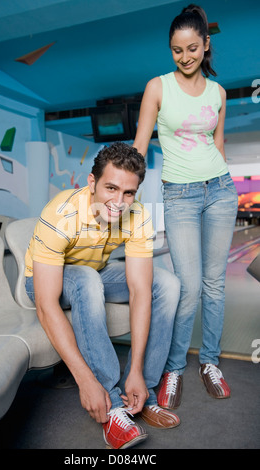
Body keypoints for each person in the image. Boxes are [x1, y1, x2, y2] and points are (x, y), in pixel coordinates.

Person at [24, 142, 181, 449]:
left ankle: (142, 391)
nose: (119, 201)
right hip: (45, 281)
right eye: (111, 188)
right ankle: (111, 404)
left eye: (128, 193)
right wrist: (85, 380)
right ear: (92, 183)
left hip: (95, 274)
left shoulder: (138, 216)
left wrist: (134, 368)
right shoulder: (61, 213)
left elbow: (139, 290)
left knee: (166, 284)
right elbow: (45, 305)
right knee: (84, 279)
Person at [133, 4, 238, 409]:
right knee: (189, 287)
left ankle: (209, 362)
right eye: (177, 50)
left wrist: (225, 182)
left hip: (221, 191)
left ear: (206, 44)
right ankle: (174, 368)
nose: (185, 57)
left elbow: (220, 146)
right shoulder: (157, 87)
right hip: (179, 194)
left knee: (214, 285)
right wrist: (128, 197)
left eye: (193, 48)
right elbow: (140, 148)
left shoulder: (219, 93)